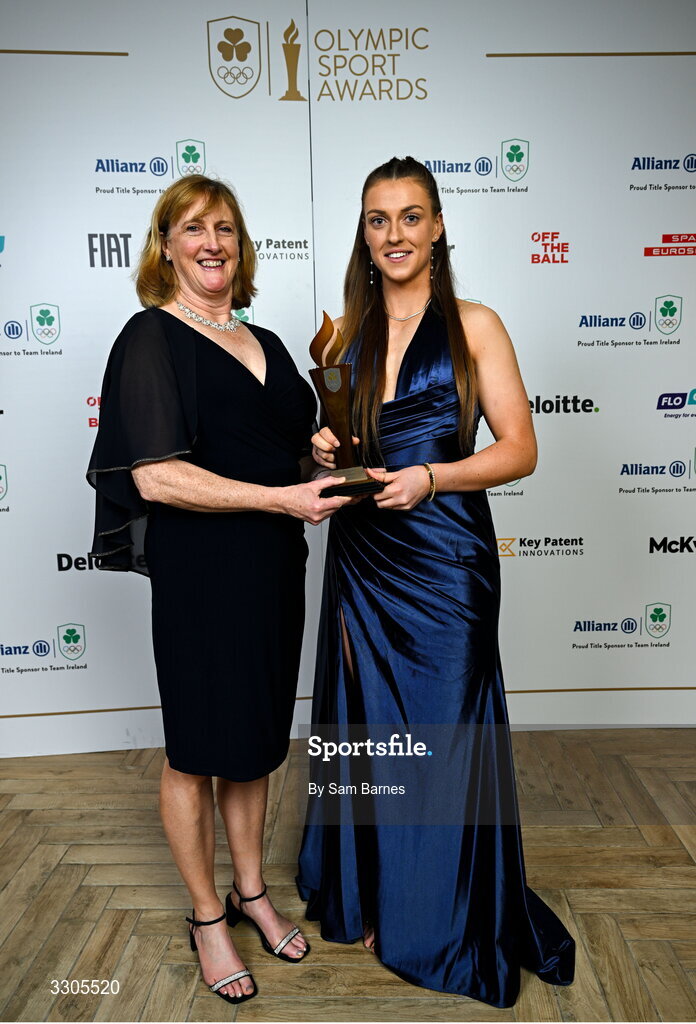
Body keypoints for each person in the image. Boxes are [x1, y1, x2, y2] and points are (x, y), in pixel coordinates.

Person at [296, 156, 575, 1008]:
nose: (394, 235)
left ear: (439, 225)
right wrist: (323, 449)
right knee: (375, 732)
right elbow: (344, 449)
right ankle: (381, 896)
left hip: (446, 560)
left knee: (445, 736)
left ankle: (439, 920)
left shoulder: (475, 325)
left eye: (410, 217)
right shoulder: (343, 334)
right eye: (378, 220)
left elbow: (520, 449)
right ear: (364, 233)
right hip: (365, 558)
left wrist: (433, 477)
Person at [87, 174, 349, 1005]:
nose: (213, 243)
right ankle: (207, 916)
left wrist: (318, 455)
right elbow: (157, 477)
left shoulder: (266, 340)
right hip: (202, 573)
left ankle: (251, 892)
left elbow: (283, 452)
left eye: (226, 228)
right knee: (198, 748)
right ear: (166, 246)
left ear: (242, 247)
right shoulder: (149, 337)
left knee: (255, 740)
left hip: (273, 567)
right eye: (195, 228)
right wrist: (281, 498)